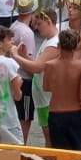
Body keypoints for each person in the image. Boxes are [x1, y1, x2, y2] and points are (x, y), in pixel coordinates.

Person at [14, 10, 61, 147]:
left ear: (49, 22)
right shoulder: (48, 40)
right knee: (48, 137)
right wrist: (24, 56)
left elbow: (37, 67)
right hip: (42, 97)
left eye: (39, 24)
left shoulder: (53, 43)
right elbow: (38, 63)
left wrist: (16, 56)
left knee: (50, 139)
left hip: (48, 98)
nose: (36, 27)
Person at [43, 29, 81, 150]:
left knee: (61, 154)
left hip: (55, 113)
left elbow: (46, 87)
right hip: (76, 114)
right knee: (79, 154)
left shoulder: (49, 65)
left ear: (58, 45)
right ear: (75, 46)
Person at [10, 0, 40, 144]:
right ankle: (23, 144)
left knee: (19, 114)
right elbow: (28, 61)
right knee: (25, 117)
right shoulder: (26, 33)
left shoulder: (14, 26)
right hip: (25, 78)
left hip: (14, 76)